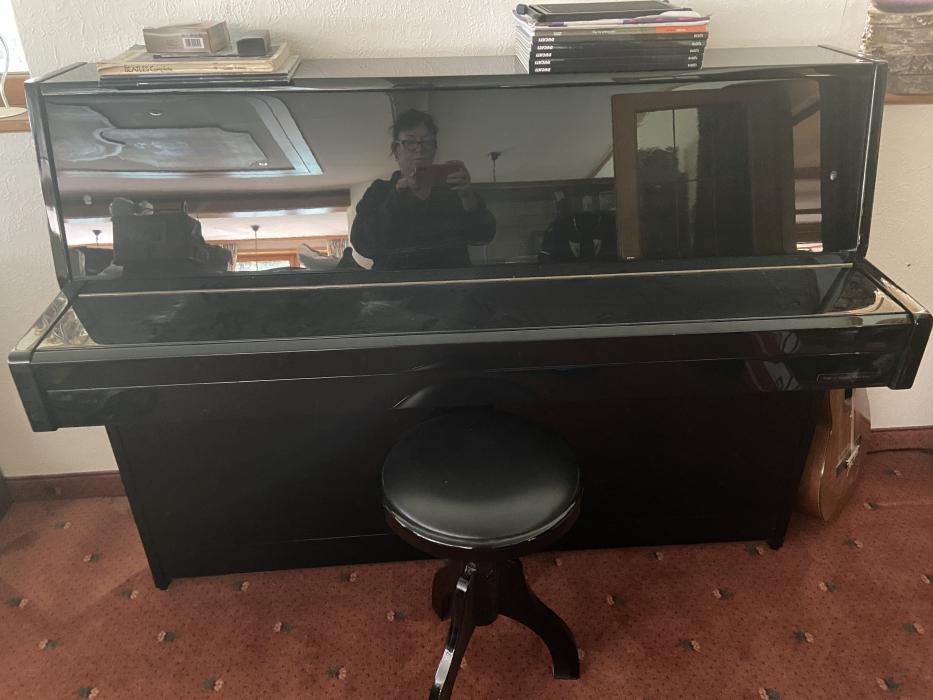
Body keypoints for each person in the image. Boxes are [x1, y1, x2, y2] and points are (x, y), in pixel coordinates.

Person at [350, 109, 495, 270]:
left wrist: (469, 199)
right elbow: (363, 244)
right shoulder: (380, 192)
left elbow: (484, 236)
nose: (419, 149)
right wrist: (396, 198)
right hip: (398, 284)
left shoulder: (454, 191)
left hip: (450, 283)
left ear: (434, 150)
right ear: (396, 151)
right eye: (410, 142)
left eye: (427, 142)